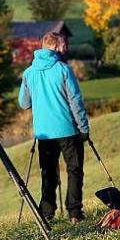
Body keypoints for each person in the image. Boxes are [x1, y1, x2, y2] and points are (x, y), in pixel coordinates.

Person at [18, 31, 90, 223]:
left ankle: (47, 213)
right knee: (74, 170)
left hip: (43, 132)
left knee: (48, 172)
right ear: (56, 47)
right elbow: (75, 101)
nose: (66, 49)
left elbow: (24, 103)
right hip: (68, 129)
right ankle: (74, 213)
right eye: (64, 45)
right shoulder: (63, 70)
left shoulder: (28, 73)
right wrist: (83, 127)